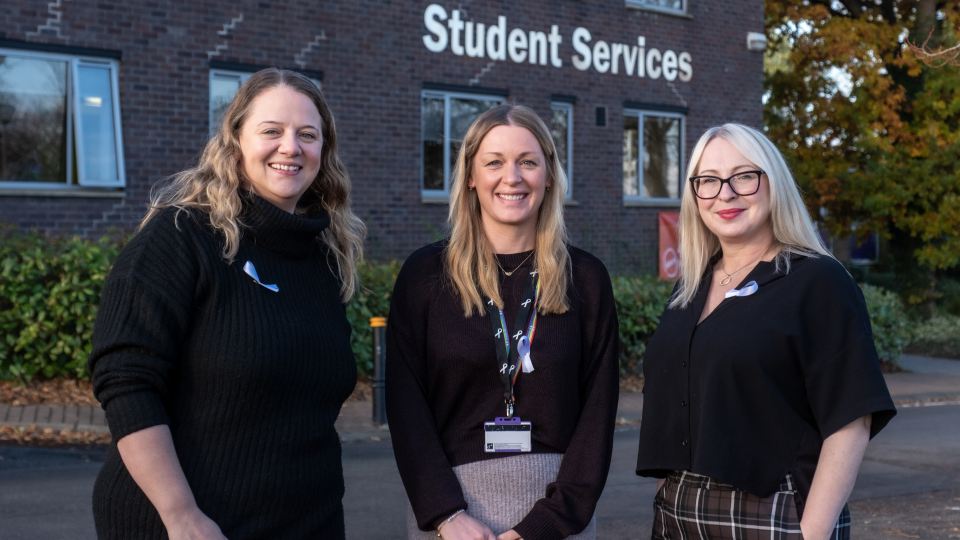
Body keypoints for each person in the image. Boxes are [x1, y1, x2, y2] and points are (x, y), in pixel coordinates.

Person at [88, 68, 365, 539]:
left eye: (308, 135)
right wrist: (181, 515)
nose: (290, 147)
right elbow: (127, 382)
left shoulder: (326, 257)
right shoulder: (181, 237)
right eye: (271, 131)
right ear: (236, 140)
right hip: (187, 525)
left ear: (324, 150)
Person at [635, 123, 896, 539]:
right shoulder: (692, 287)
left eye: (743, 176)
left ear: (773, 183)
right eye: (709, 181)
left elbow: (851, 420)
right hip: (679, 512)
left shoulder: (818, 281)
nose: (726, 193)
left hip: (775, 512)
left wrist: (810, 533)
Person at [386, 104, 619, 540]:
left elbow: (598, 416)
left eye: (528, 162)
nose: (512, 177)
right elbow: (406, 408)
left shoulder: (585, 279)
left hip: (558, 520)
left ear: (548, 176)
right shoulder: (425, 276)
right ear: (471, 176)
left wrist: (547, 523)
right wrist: (446, 514)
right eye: (494, 162)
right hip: (450, 522)